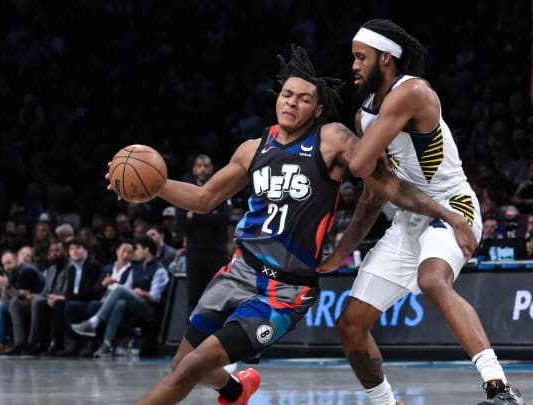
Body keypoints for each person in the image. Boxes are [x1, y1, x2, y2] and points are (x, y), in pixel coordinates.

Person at [131, 44, 476, 405]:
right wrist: (155, 186)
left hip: (282, 291)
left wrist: (448, 214)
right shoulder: (252, 148)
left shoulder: (332, 140)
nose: (292, 103)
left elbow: (387, 186)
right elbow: (203, 199)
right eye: (287, 95)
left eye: (303, 99)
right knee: (182, 364)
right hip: (238, 271)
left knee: (194, 364)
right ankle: (235, 390)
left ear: (319, 109)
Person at [318, 19, 525, 405]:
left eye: (361, 58)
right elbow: (372, 194)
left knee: (432, 280)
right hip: (408, 219)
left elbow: (361, 164)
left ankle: (500, 388)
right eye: (353, 58)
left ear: (386, 58)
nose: (354, 66)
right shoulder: (364, 115)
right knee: (350, 326)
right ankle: (386, 403)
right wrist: (342, 251)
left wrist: (334, 141)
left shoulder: (412, 91)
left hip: (454, 206)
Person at [176, 154, 232, 313]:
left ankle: (216, 337)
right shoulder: (186, 192)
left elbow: (225, 218)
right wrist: (209, 214)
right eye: (199, 166)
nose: (202, 169)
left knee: (217, 300)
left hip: (217, 253)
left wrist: (195, 214)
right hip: (194, 254)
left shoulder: (221, 190)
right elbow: (181, 222)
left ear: (212, 169)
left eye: (206, 166)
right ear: (194, 169)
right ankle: (191, 338)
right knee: (194, 301)